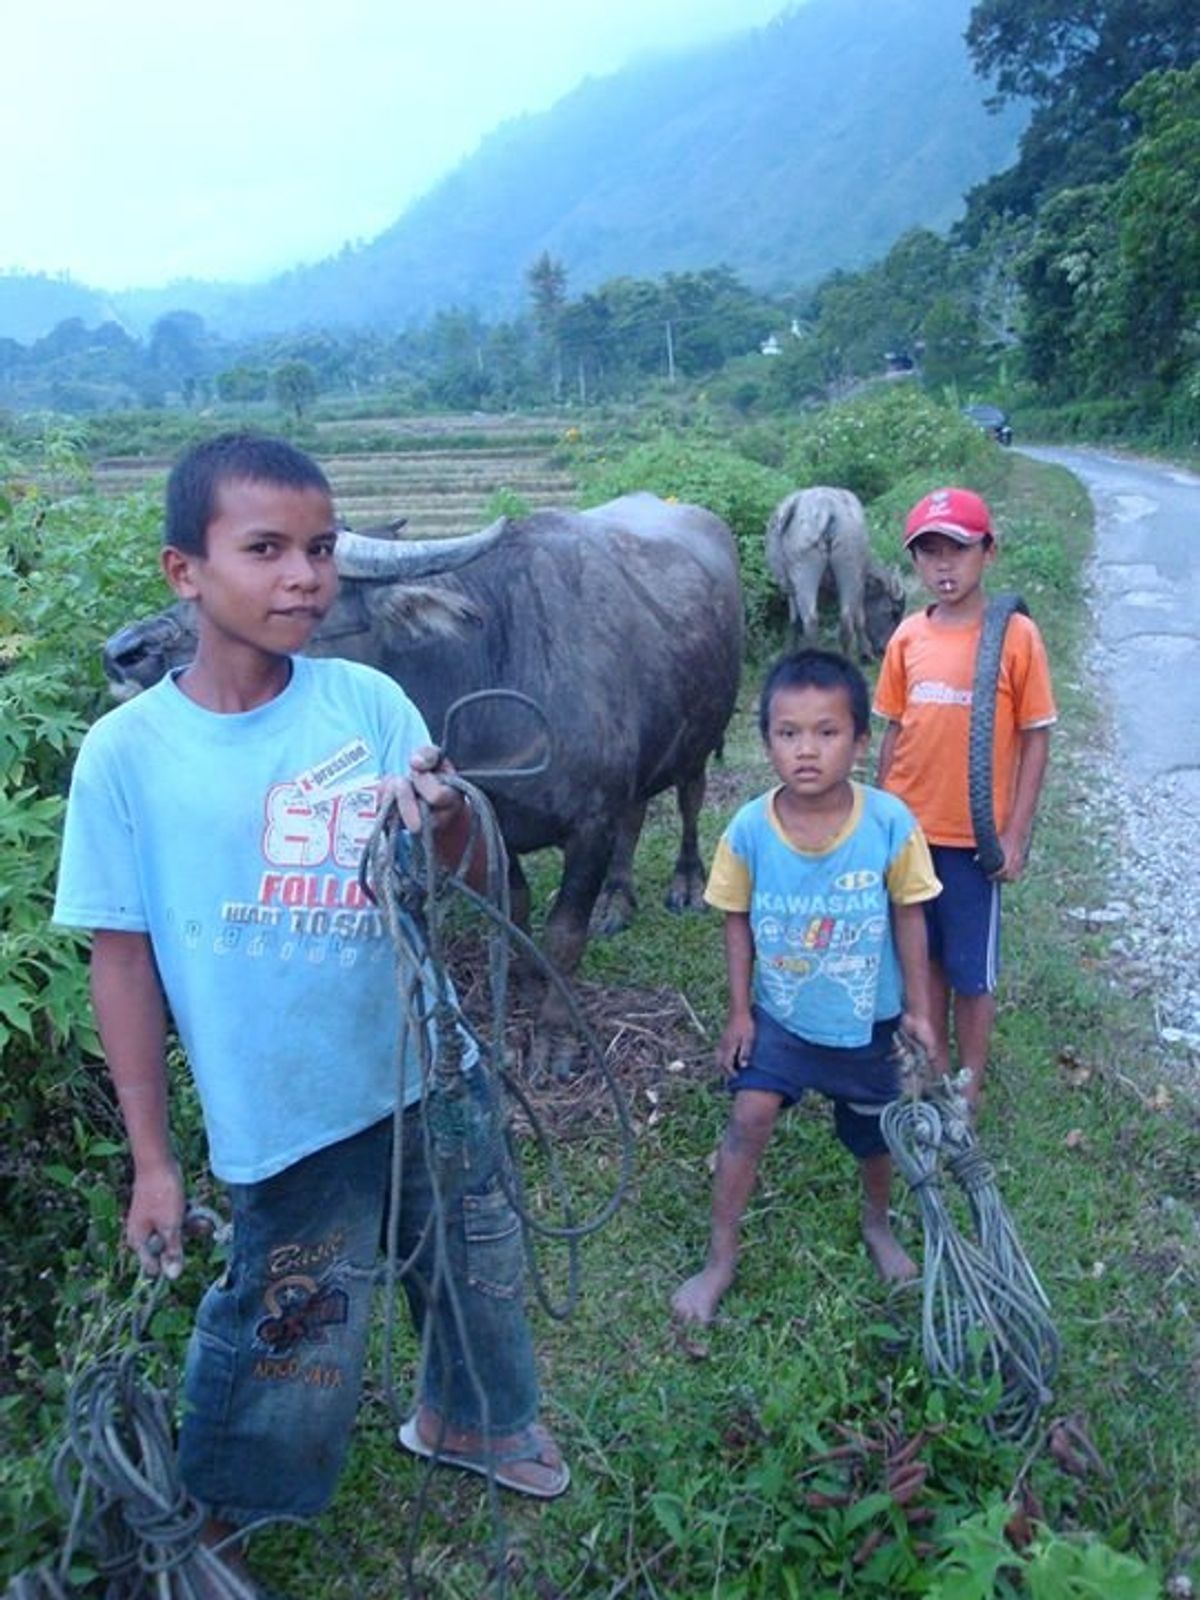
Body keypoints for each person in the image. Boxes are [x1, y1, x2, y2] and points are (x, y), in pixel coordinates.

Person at [53, 433, 567, 1594]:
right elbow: (121, 961)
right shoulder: (127, 755)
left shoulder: (368, 700)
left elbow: (470, 879)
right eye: (267, 549)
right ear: (184, 571)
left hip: (427, 1061)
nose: (305, 576)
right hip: (283, 1110)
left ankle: (475, 1420)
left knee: (476, 1253)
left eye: (322, 549)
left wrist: (442, 816)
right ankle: (230, 1506)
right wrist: (153, 1159)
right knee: (295, 1319)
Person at [672, 649, 939, 1326]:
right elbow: (735, 921)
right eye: (788, 734)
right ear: (765, 741)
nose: (808, 751)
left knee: (876, 1135)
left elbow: (910, 917)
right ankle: (720, 1256)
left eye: (828, 732)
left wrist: (921, 1011)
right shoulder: (749, 831)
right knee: (749, 1117)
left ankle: (878, 1224)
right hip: (782, 1020)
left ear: (860, 739)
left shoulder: (888, 825)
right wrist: (740, 1013)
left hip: (869, 1024)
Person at [873, 486, 1057, 1111]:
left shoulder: (1016, 635)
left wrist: (1015, 833)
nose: (943, 566)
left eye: (957, 550)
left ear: (988, 551)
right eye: (928, 553)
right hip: (911, 837)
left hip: (973, 844)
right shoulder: (906, 638)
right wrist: (877, 819)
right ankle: (936, 1066)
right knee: (920, 958)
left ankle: (970, 1079)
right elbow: (894, 731)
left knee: (971, 973)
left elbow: (1036, 739)